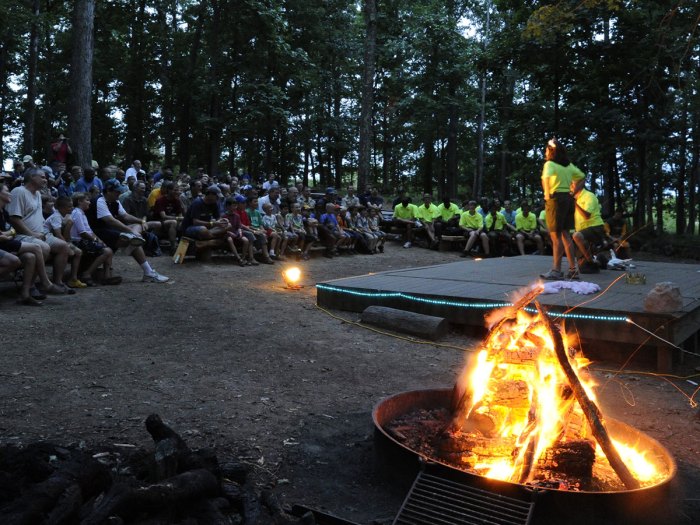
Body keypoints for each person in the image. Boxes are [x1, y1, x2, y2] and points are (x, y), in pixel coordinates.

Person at [6, 168, 74, 294]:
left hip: (41, 234)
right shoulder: (19, 192)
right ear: (32, 177)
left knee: (63, 246)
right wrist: (32, 234)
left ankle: (57, 282)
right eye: (42, 177)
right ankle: (31, 286)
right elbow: (14, 219)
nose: (45, 180)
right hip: (22, 236)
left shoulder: (37, 194)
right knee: (43, 247)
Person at [88, 179, 169, 283]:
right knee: (132, 240)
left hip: (106, 231)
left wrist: (141, 221)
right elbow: (110, 220)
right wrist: (130, 231)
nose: (119, 193)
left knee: (133, 238)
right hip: (95, 232)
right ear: (108, 191)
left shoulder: (115, 201)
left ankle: (146, 272)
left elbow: (125, 216)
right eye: (117, 191)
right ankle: (148, 272)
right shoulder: (100, 200)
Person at [539, 138, 585, 280]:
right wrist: (573, 192)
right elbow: (582, 177)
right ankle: (573, 269)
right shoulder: (568, 166)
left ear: (552, 151)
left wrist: (547, 195)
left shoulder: (549, 164)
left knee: (555, 236)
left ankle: (556, 270)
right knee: (566, 235)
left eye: (547, 150)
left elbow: (545, 180)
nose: (545, 152)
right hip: (568, 199)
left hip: (556, 200)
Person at [69, 192, 120, 285]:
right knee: (107, 251)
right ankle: (86, 274)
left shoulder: (82, 213)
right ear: (79, 201)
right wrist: (96, 241)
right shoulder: (77, 213)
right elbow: (83, 233)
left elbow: (89, 231)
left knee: (108, 248)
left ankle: (107, 276)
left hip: (83, 240)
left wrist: (99, 240)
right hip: (77, 241)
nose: (89, 202)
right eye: (87, 200)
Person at [43, 196, 86, 288]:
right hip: (46, 237)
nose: (72, 208)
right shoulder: (56, 216)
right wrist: (67, 246)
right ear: (62, 208)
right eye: (69, 207)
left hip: (55, 238)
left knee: (78, 252)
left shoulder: (65, 216)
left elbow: (64, 235)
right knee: (67, 250)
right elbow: (58, 234)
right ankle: (58, 280)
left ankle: (73, 279)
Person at [571, 179, 605, 273]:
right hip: (583, 231)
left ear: (580, 185)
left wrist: (575, 204)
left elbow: (587, 215)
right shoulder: (575, 198)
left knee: (576, 236)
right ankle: (600, 261)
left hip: (595, 227)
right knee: (584, 268)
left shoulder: (589, 196)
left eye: (572, 184)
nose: (570, 186)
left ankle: (591, 260)